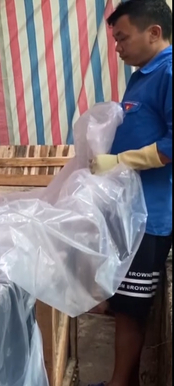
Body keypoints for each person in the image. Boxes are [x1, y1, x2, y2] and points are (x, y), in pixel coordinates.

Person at [89, 1, 172, 386]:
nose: (117, 47)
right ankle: (123, 380)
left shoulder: (169, 71)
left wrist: (120, 160)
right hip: (130, 209)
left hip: (153, 214)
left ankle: (120, 382)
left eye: (122, 38)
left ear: (153, 32)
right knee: (121, 303)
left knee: (131, 307)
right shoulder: (142, 75)